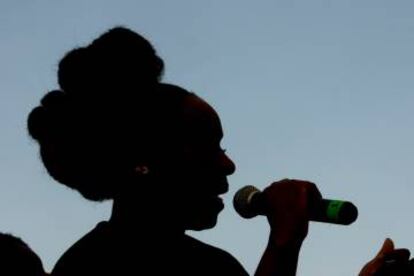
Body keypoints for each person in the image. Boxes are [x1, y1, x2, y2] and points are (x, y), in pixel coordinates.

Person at [27, 26, 322, 275]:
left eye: (223, 147)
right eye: (207, 147)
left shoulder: (213, 263)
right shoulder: (94, 265)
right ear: (145, 161)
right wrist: (283, 242)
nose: (228, 164)